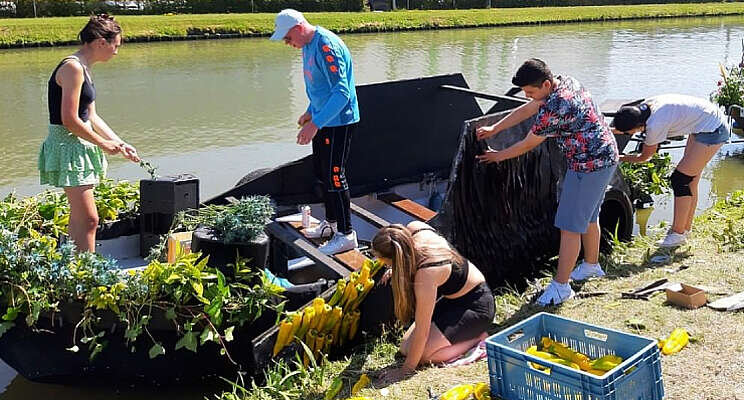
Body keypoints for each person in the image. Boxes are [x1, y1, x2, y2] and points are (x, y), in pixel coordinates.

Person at [476, 58, 619, 306]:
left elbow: (529, 143)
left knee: (569, 225)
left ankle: (561, 287)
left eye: (531, 92)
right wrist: (495, 128)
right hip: (605, 155)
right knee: (589, 217)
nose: (529, 96)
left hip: (589, 164)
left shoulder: (558, 106)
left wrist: (497, 156)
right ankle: (591, 265)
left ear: (544, 84)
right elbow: (529, 108)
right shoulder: (564, 81)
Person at [38, 14, 140, 253]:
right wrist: (104, 145)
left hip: (80, 144)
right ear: (100, 42)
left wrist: (120, 143)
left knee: (81, 219)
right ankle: (88, 275)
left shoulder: (85, 68)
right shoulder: (73, 68)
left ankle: (74, 271)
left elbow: (91, 116)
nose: (116, 51)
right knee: (89, 219)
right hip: (67, 145)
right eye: (116, 45)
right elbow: (70, 119)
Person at [269, 9, 360, 255]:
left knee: (335, 175)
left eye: (288, 38)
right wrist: (311, 111)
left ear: (298, 28)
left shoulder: (325, 46)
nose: (288, 44)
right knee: (321, 173)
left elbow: (342, 93)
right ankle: (331, 225)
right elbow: (321, 87)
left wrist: (315, 123)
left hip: (339, 122)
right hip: (323, 119)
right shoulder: (308, 45)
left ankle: (346, 233)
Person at [372, 222, 494, 383]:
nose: (386, 266)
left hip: (477, 306)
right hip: (453, 299)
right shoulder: (414, 228)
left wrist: (405, 371)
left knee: (423, 356)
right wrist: (395, 267)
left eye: (386, 262)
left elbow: (422, 331)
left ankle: (479, 337)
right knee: (405, 347)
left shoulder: (426, 275)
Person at [612, 95, 730, 247]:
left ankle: (677, 234)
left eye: (629, 132)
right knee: (690, 180)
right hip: (704, 120)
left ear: (639, 125)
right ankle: (684, 229)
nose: (630, 135)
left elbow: (644, 157)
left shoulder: (656, 125)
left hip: (714, 129)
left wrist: (618, 157)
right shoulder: (645, 107)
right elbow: (631, 127)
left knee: (680, 180)